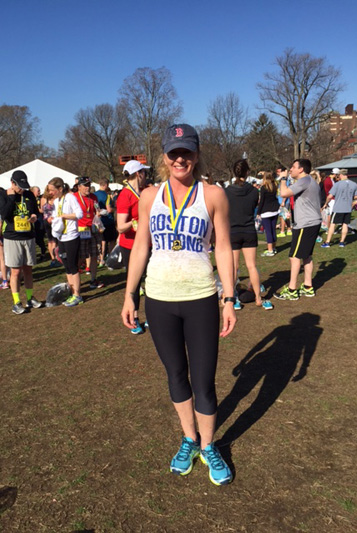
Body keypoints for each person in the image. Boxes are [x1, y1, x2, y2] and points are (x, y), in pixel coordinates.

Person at [121, 124, 237, 486]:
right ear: (164, 157)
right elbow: (141, 246)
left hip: (201, 297)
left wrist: (229, 297)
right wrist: (129, 294)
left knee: (203, 380)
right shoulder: (149, 196)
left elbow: (222, 246)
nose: (180, 158)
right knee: (175, 374)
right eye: (174, 152)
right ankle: (189, 439)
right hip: (159, 298)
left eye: (186, 151)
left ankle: (209, 445)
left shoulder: (213, 194)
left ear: (197, 155)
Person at [225, 160, 273, 311]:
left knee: (234, 267)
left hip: (233, 231)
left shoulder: (227, 191)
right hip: (249, 231)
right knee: (251, 266)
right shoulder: (254, 191)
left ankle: (232, 298)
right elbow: (252, 206)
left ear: (234, 172)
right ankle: (259, 298)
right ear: (247, 173)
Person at [274, 159, 321, 300]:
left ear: (301, 169)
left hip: (305, 224)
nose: (290, 169)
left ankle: (292, 289)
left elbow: (284, 193)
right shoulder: (309, 181)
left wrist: (283, 179)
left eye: (293, 167)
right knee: (306, 255)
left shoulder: (304, 180)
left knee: (294, 257)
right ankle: (308, 287)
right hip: (312, 222)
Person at [0, 171, 43, 314]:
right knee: (16, 271)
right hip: (12, 237)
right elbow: (4, 215)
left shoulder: (28, 195)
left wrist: (34, 216)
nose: (22, 189)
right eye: (19, 186)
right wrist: (11, 198)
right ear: (12, 183)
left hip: (28, 236)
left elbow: (35, 211)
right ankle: (16, 302)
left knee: (28, 269)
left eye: (24, 186)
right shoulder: (3, 195)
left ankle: (30, 298)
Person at [117, 160, 149, 334]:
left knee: (151, 280)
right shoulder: (125, 195)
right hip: (130, 245)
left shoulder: (144, 191)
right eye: (144, 172)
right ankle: (134, 317)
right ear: (138, 174)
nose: (146, 176)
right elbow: (120, 226)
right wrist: (135, 222)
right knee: (134, 283)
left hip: (148, 243)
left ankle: (152, 315)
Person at [48, 177, 84, 307]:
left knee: (73, 266)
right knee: (67, 266)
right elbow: (58, 215)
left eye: (52, 190)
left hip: (71, 236)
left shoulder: (70, 197)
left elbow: (79, 214)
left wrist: (64, 216)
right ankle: (71, 291)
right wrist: (54, 218)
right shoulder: (57, 201)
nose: (50, 193)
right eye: (49, 190)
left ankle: (77, 295)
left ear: (60, 188)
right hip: (61, 237)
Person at [74, 176, 104, 289]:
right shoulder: (74, 197)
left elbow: (96, 210)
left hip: (93, 229)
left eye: (89, 185)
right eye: (85, 185)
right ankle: (75, 281)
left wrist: (98, 214)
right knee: (80, 257)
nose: (88, 188)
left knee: (94, 254)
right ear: (79, 187)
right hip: (80, 230)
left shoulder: (93, 197)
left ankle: (93, 280)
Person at [321, 169, 357, 248]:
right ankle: (342, 242)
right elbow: (356, 196)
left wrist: (326, 203)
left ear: (340, 175)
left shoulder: (337, 184)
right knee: (345, 224)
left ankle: (327, 242)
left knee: (332, 224)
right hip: (348, 208)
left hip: (338, 207)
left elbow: (330, 196)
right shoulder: (354, 184)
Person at [95, 178, 118, 267]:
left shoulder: (94, 195)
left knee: (102, 241)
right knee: (111, 240)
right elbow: (109, 209)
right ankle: (110, 258)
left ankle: (101, 259)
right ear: (106, 185)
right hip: (107, 220)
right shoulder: (106, 195)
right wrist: (115, 209)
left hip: (98, 221)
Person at [257, 172, 280, 257]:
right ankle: (273, 248)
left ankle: (270, 250)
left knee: (268, 231)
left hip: (266, 211)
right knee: (273, 229)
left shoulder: (264, 188)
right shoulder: (274, 186)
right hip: (274, 210)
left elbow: (262, 201)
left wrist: (258, 212)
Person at [40, 186, 58, 267]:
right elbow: (41, 209)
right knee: (52, 240)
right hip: (47, 221)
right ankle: (54, 258)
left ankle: (54, 258)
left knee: (53, 240)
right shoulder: (44, 198)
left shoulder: (55, 197)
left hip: (55, 220)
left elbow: (42, 209)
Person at [31, 186, 46, 261]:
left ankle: (43, 253)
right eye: (38, 191)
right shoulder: (30, 199)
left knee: (40, 238)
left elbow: (43, 210)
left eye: (39, 190)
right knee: (35, 239)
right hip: (33, 221)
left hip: (40, 220)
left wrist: (37, 210)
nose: (39, 192)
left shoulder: (41, 199)